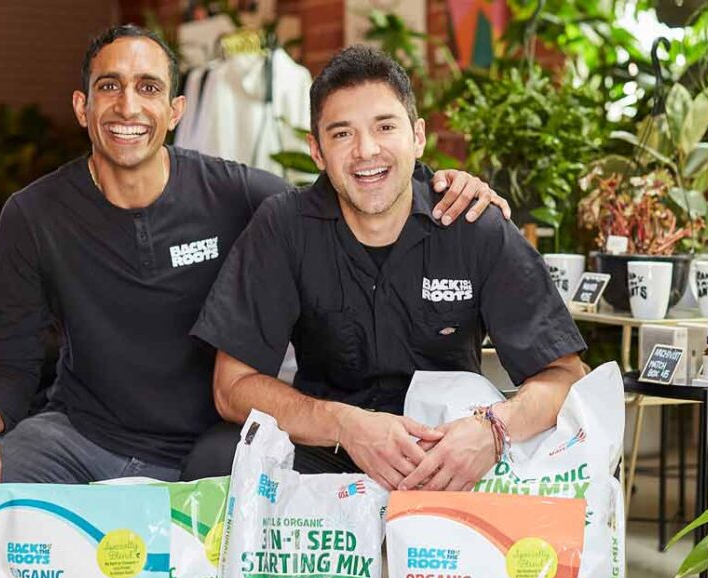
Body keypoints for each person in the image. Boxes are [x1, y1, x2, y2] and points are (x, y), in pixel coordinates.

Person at [0, 25, 508, 484]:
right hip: (81, 438)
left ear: (175, 110)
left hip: (210, 443)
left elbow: (352, 189)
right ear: (83, 107)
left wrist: (439, 184)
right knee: (8, 469)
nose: (128, 106)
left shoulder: (236, 194)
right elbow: (13, 361)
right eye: (110, 87)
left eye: (148, 88)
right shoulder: (33, 214)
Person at [189, 45, 587, 491]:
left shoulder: (471, 223)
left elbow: (566, 377)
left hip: (451, 454)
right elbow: (231, 386)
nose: (367, 150)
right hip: (328, 451)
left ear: (417, 137)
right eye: (342, 134)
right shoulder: (284, 227)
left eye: (385, 126)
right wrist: (346, 425)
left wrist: (493, 429)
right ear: (317, 151)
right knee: (215, 459)